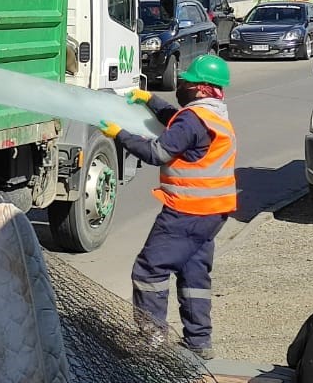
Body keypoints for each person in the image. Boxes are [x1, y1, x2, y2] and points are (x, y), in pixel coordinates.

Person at [97, 54, 236, 360]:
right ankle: (199, 342)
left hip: (186, 211)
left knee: (150, 269)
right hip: (213, 213)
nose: (182, 85)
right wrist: (150, 100)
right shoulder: (214, 115)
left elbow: (157, 152)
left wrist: (120, 135)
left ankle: (152, 340)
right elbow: (176, 121)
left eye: (187, 81)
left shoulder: (194, 118)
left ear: (200, 88)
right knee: (194, 273)